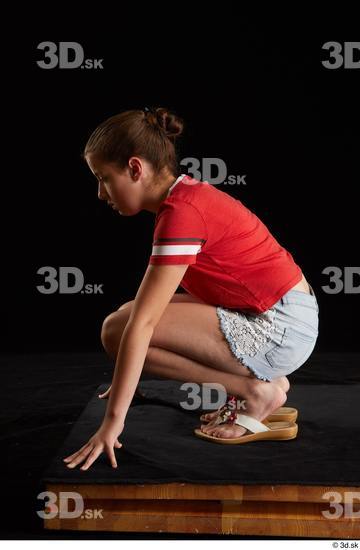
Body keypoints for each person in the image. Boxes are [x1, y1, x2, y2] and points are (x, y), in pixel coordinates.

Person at [63, 107, 319, 469]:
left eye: (104, 178)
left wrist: (112, 423)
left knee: (119, 331)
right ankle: (260, 387)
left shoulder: (181, 214)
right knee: (123, 319)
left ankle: (257, 391)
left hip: (283, 327)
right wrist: (127, 370)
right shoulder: (185, 198)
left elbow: (143, 326)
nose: (100, 193)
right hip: (283, 311)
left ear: (135, 169)